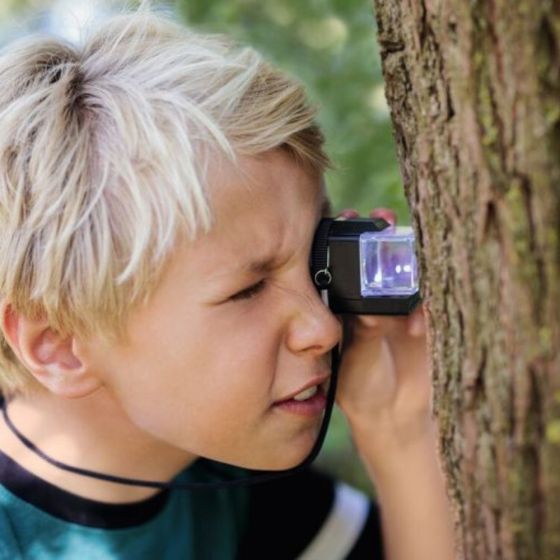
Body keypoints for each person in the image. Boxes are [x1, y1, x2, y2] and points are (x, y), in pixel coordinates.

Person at [0, 7, 455, 559]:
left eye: (315, 258)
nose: (323, 327)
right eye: (249, 289)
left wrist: (398, 427)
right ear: (60, 344)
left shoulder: (222, 472)